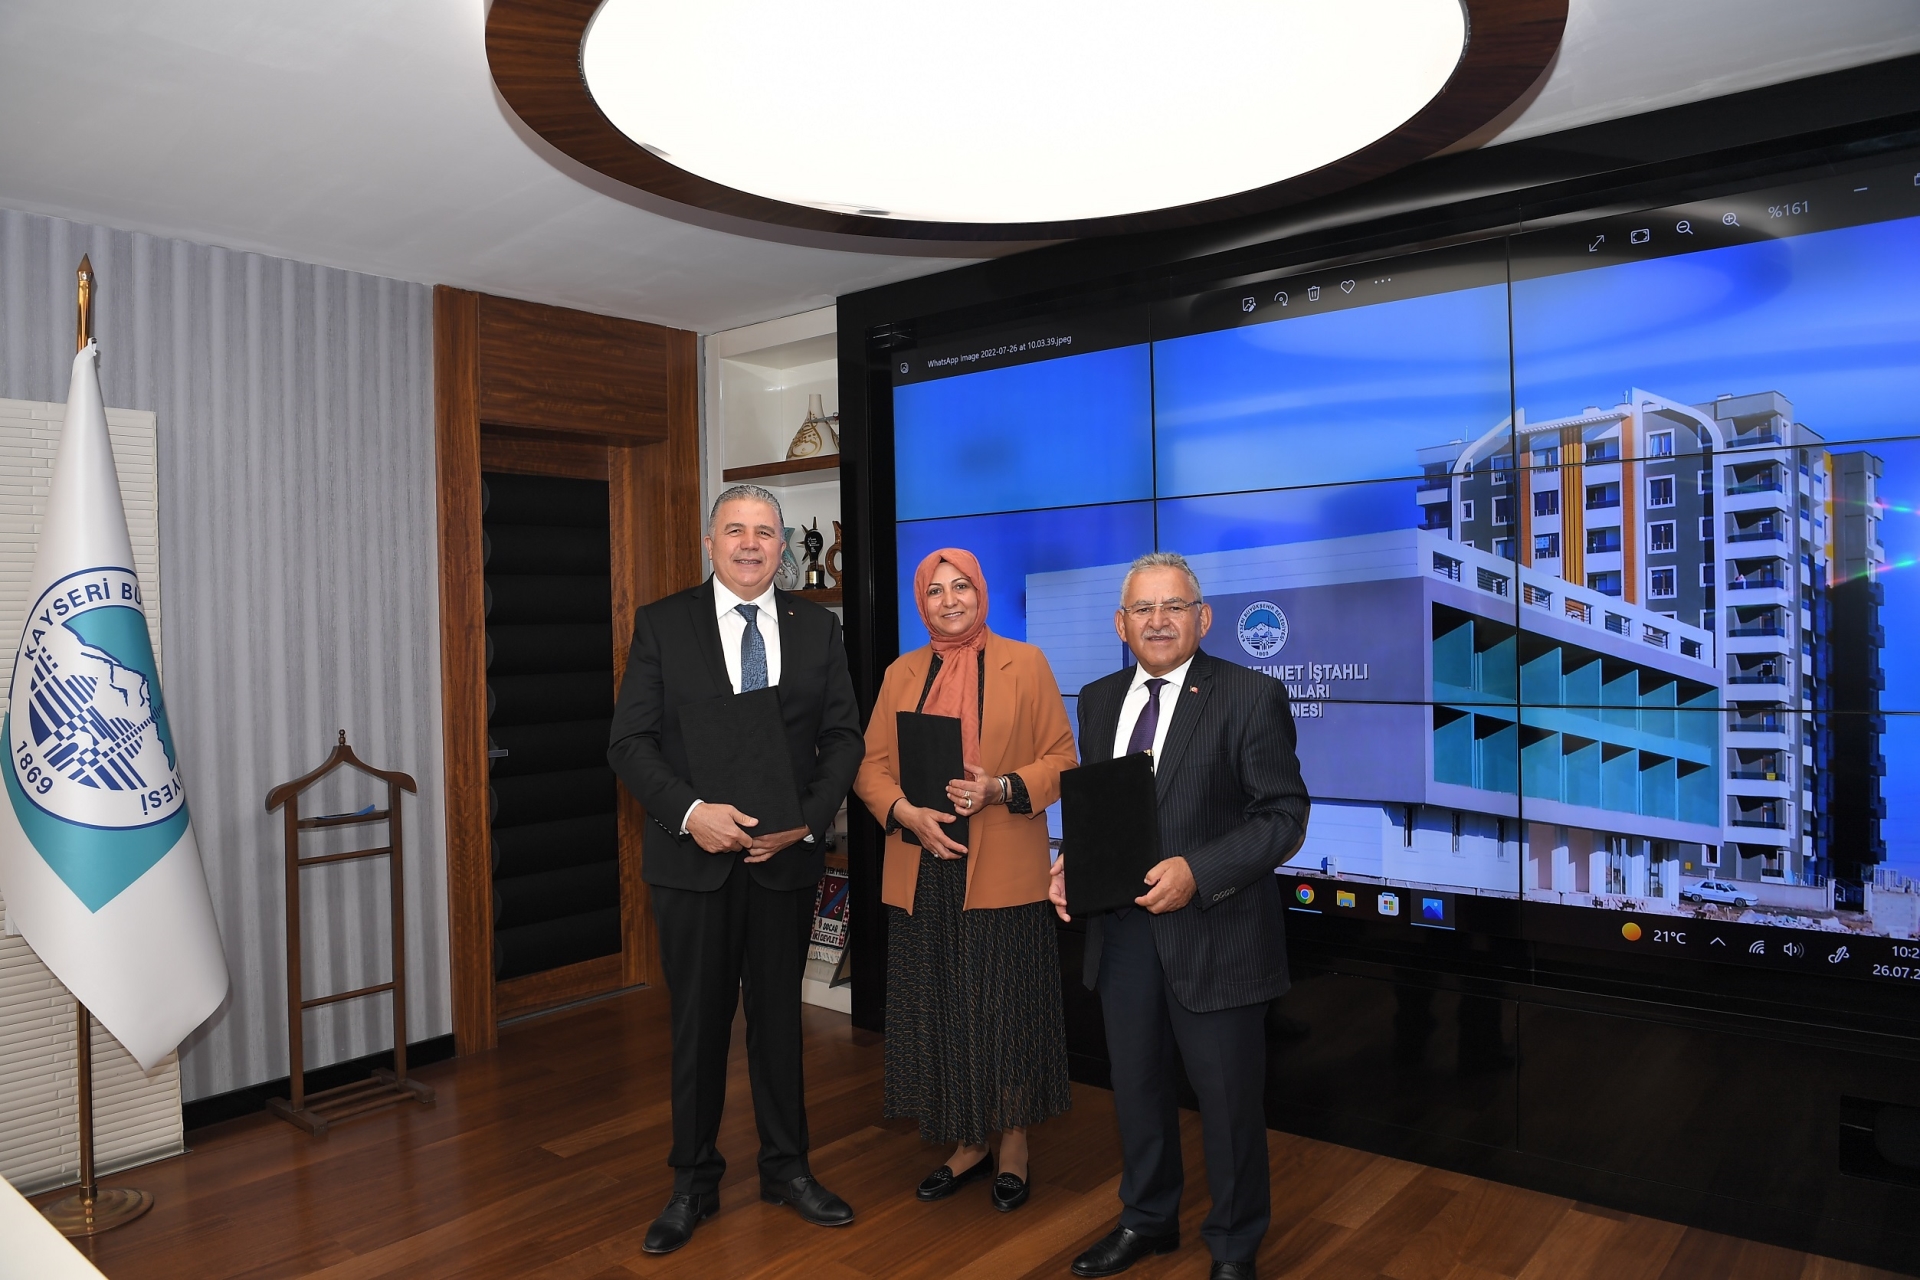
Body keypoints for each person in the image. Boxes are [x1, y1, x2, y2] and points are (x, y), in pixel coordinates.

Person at [608, 483, 865, 1255]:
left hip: (785, 862)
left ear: (782, 547)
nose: (750, 544)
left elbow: (843, 739)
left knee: (780, 1024)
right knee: (698, 1028)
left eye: (764, 532)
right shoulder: (662, 624)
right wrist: (693, 814)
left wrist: (804, 823)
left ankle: (787, 1170)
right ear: (710, 543)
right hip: (693, 863)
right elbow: (630, 743)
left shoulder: (818, 628)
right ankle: (692, 1184)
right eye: (735, 530)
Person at [1050, 551, 1309, 1280]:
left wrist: (1199, 872)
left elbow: (1283, 816)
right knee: (1136, 1092)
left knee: (1227, 1106)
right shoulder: (1098, 699)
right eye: (1143, 608)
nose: (1158, 621)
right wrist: (1073, 862)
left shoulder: (1250, 694)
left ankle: (1233, 1246)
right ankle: (1147, 1219)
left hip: (1217, 932)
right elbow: (1107, 811)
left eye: (1174, 606)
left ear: (1204, 618)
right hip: (1123, 933)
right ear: (1120, 624)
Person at [854, 548, 1077, 1212]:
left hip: (1004, 863)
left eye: (961, 587)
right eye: (935, 591)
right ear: (920, 601)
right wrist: (905, 812)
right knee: (944, 1007)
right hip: (924, 865)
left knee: (1006, 1009)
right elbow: (869, 768)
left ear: (981, 592)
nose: (949, 600)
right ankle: (967, 1141)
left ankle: (1013, 1144)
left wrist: (1001, 786)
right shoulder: (901, 673)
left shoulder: (1025, 663)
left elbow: (1063, 760)